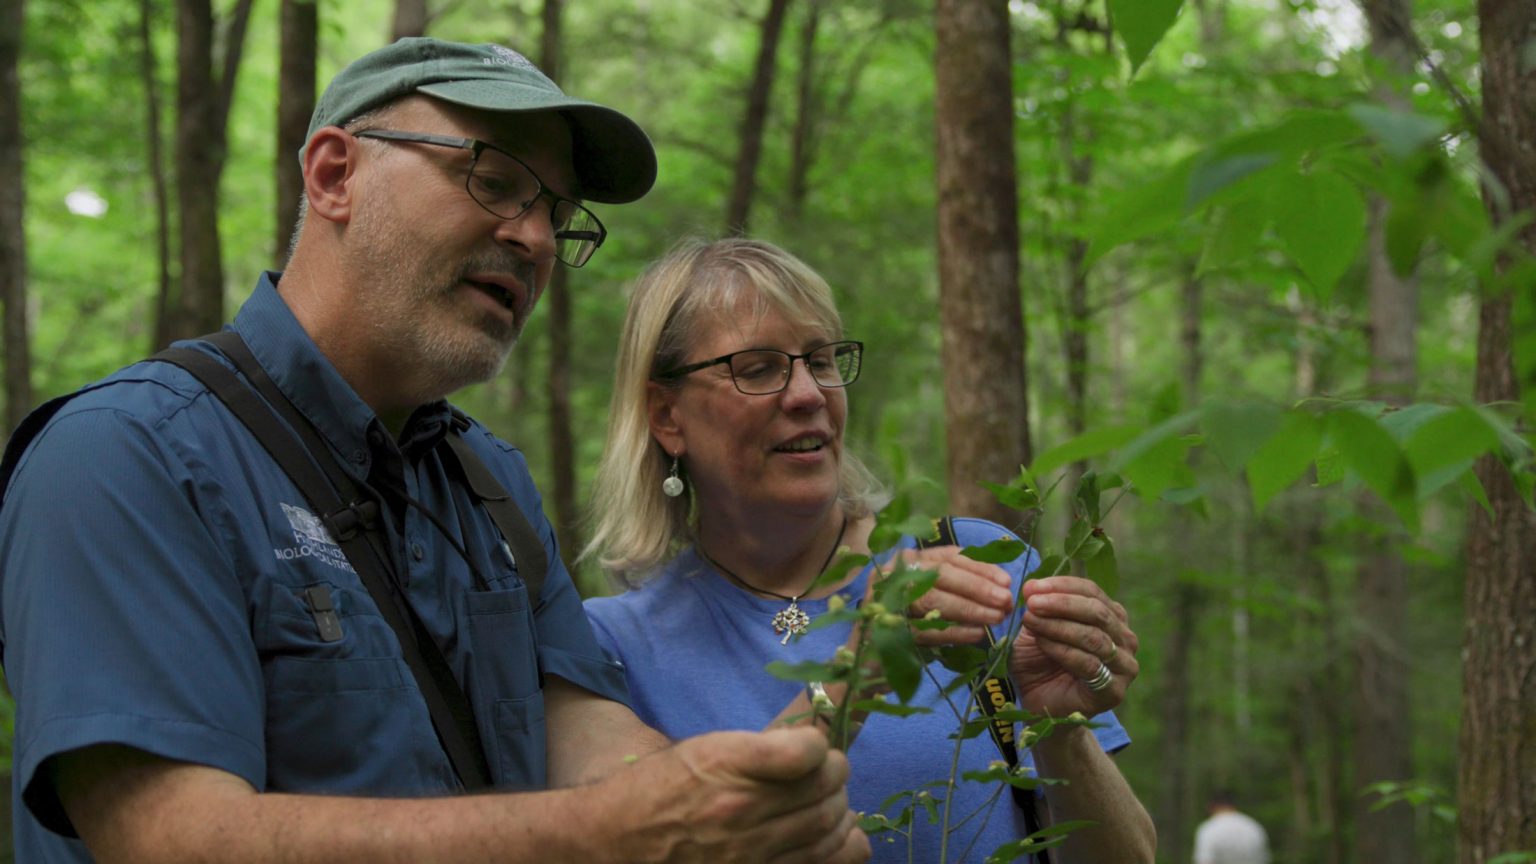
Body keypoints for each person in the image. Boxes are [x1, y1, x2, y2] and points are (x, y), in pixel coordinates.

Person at [0, 39, 869, 863]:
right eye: (495, 180)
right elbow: (170, 839)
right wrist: (612, 831)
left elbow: (593, 745)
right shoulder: (127, 456)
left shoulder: (493, 485)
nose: (535, 239)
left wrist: (752, 808)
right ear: (336, 174)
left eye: (558, 215)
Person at [581, 237, 1158, 863]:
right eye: (759, 368)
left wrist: (1057, 730)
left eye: (821, 360)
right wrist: (862, 663)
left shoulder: (975, 563)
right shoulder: (613, 647)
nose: (807, 394)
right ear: (667, 416)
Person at [1193, 791, 1271, 864]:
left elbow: (1205, 861)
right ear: (1234, 805)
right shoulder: (1253, 826)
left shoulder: (1209, 829)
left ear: (1212, 806)